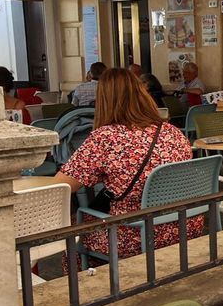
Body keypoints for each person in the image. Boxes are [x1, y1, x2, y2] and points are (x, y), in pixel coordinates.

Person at [57, 68, 194, 258]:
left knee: (70, 234)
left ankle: (96, 283)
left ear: (103, 101)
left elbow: (61, 186)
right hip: (184, 225)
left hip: (135, 233)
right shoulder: (173, 132)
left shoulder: (105, 138)